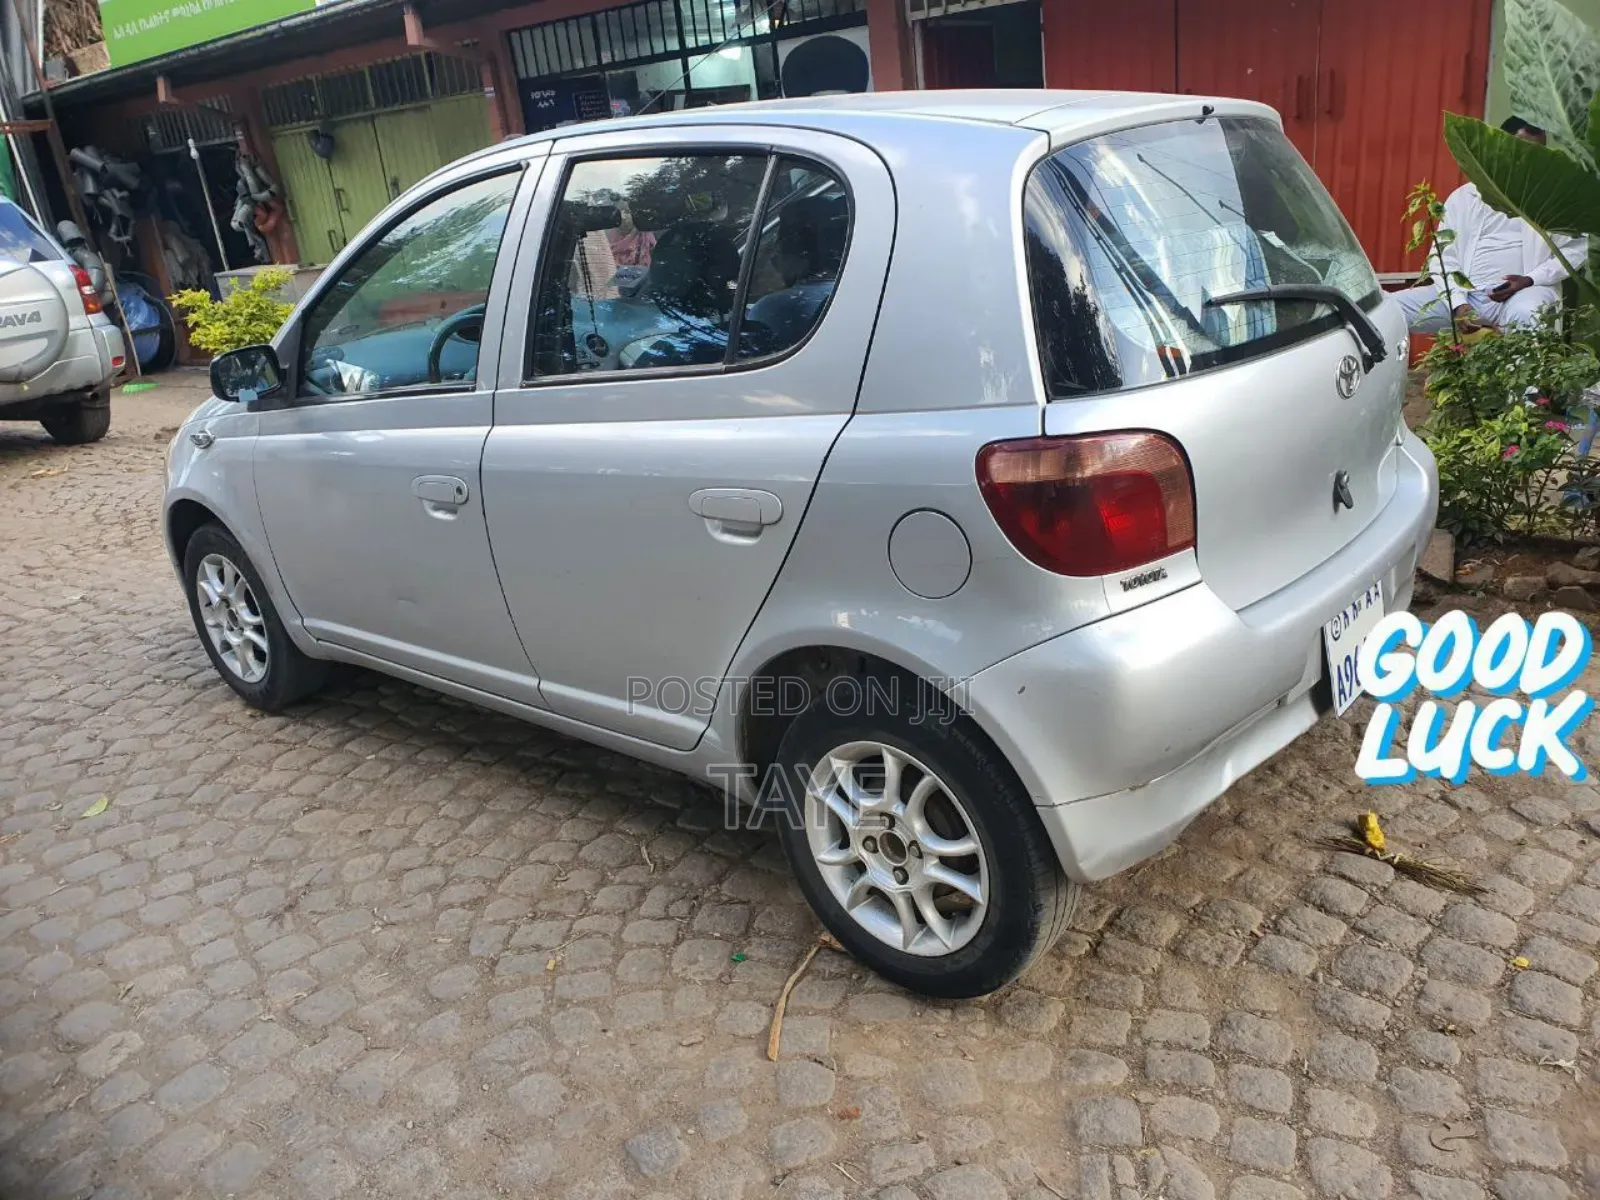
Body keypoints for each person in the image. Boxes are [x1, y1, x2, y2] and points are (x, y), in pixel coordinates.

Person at [1394, 117, 1588, 333]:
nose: (1532, 159)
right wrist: (1458, 303)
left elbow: (1578, 248)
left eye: (1538, 152)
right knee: (1386, 310)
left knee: (1525, 314)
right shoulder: (1464, 197)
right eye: (1524, 150)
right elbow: (1443, 256)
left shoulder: (1550, 198)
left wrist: (1530, 279)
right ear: (1500, 147)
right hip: (1464, 296)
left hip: (1523, 293)